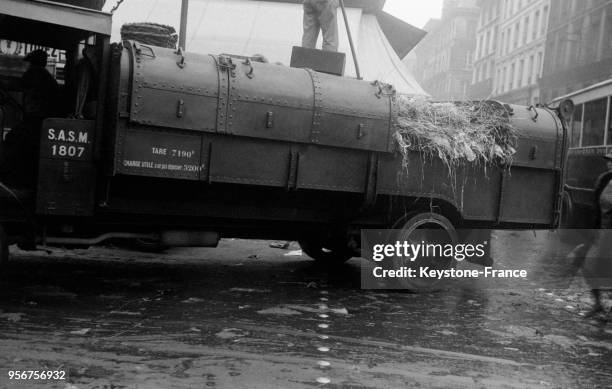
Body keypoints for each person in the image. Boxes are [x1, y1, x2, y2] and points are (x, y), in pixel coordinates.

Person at [1, 50, 59, 187]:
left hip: (38, 121)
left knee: (12, 139)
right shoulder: (44, 76)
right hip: (41, 120)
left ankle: (11, 181)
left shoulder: (35, 73)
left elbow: (19, 85)